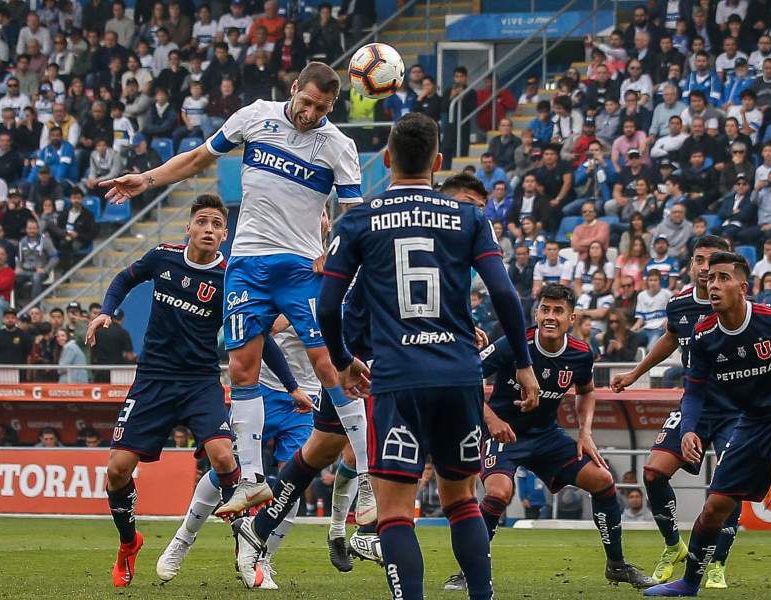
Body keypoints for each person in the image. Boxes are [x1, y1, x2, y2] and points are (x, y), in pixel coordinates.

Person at [229, 113, 539, 597]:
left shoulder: (361, 220)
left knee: (350, 470)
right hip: (431, 370)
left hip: (382, 370)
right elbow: (504, 294)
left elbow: (335, 303)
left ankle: (267, 529)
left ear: (387, 159)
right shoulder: (468, 220)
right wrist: (521, 363)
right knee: (453, 496)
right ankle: (270, 529)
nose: (474, 204)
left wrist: (342, 357)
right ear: (437, 163)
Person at [99, 62, 369, 518]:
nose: (309, 113)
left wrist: (335, 253)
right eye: (305, 102)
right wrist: (145, 180)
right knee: (242, 370)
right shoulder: (255, 116)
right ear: (294, 87)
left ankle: (366, 478)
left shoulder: (339, 146)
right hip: (245, 265)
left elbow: (355, 216)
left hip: (300, 267)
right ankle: (250, 481)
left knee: (329, 365)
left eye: (320, 108)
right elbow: (198, 159)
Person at [83, 195, 291, 587]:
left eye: (217, 224)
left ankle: (244, 547)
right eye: (203, 222)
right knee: (116, 470)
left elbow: (259, 335)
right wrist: (106, 310)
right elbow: (125, 278)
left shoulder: (231, 278)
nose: (209, 229)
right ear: (189, 227)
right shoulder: (163, 257)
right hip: (154, 379)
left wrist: (293, 386)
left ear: (225, 235)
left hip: (200, 382)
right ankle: (129, 544)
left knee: (224, 457)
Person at [444, 284, 653, 592]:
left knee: (603, 480)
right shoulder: (513, 344)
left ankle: (617, 565)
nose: (550, 317)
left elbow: (586, 391)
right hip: (505, 434)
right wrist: (492, 419)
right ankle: (469, 571)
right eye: (545, 310)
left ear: (572, 318)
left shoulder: (581, 353)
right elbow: (467, 378)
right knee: (499, 493)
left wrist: (585, 433)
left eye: (558, 311)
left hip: (546, 437)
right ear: (537, 313)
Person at [644, 251, 771, 599]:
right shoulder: (703, 336)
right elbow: (694, 391)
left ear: (743, 287)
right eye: (711, 278)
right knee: (715, 507)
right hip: (751, 422)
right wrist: (688, 431)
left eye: (723, 278)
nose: (714, 285)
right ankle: (689, 583)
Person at [156, 322, 349, 588]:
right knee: (227, 468)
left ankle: (262, 558)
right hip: (263, 388)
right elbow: (261, 327)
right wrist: (300, 309)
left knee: (295, 479)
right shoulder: (287, 284)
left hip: (308, 395)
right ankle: (183, 539)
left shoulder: (338, 287)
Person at [611, 236, 741, 587]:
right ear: (690, 264)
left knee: (730, 481)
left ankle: (717, 563)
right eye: (699, 260)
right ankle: (674, 546)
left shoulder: (737, 305)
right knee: (653, 472)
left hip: (734, 407)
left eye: (712, 262)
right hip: (694, 404)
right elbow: (671, 337)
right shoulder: (680, 304)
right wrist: (635, 374)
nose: (704, 268)